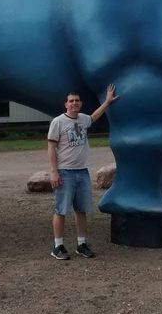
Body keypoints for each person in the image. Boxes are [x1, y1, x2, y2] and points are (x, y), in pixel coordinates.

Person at [47, 84, 119, 260]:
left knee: (81, 210)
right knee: (61, 210)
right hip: (65, 172)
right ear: (66, 104)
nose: (74, 103)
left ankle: (81, 244)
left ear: (80, 104)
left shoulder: (83, 119)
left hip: (82, 172)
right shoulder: (58, 122)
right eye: (71, 101)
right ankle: (58, 246)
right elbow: (51, 147)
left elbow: (94, 116)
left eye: (77, 101)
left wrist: (108, 102)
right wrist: (54, 172)